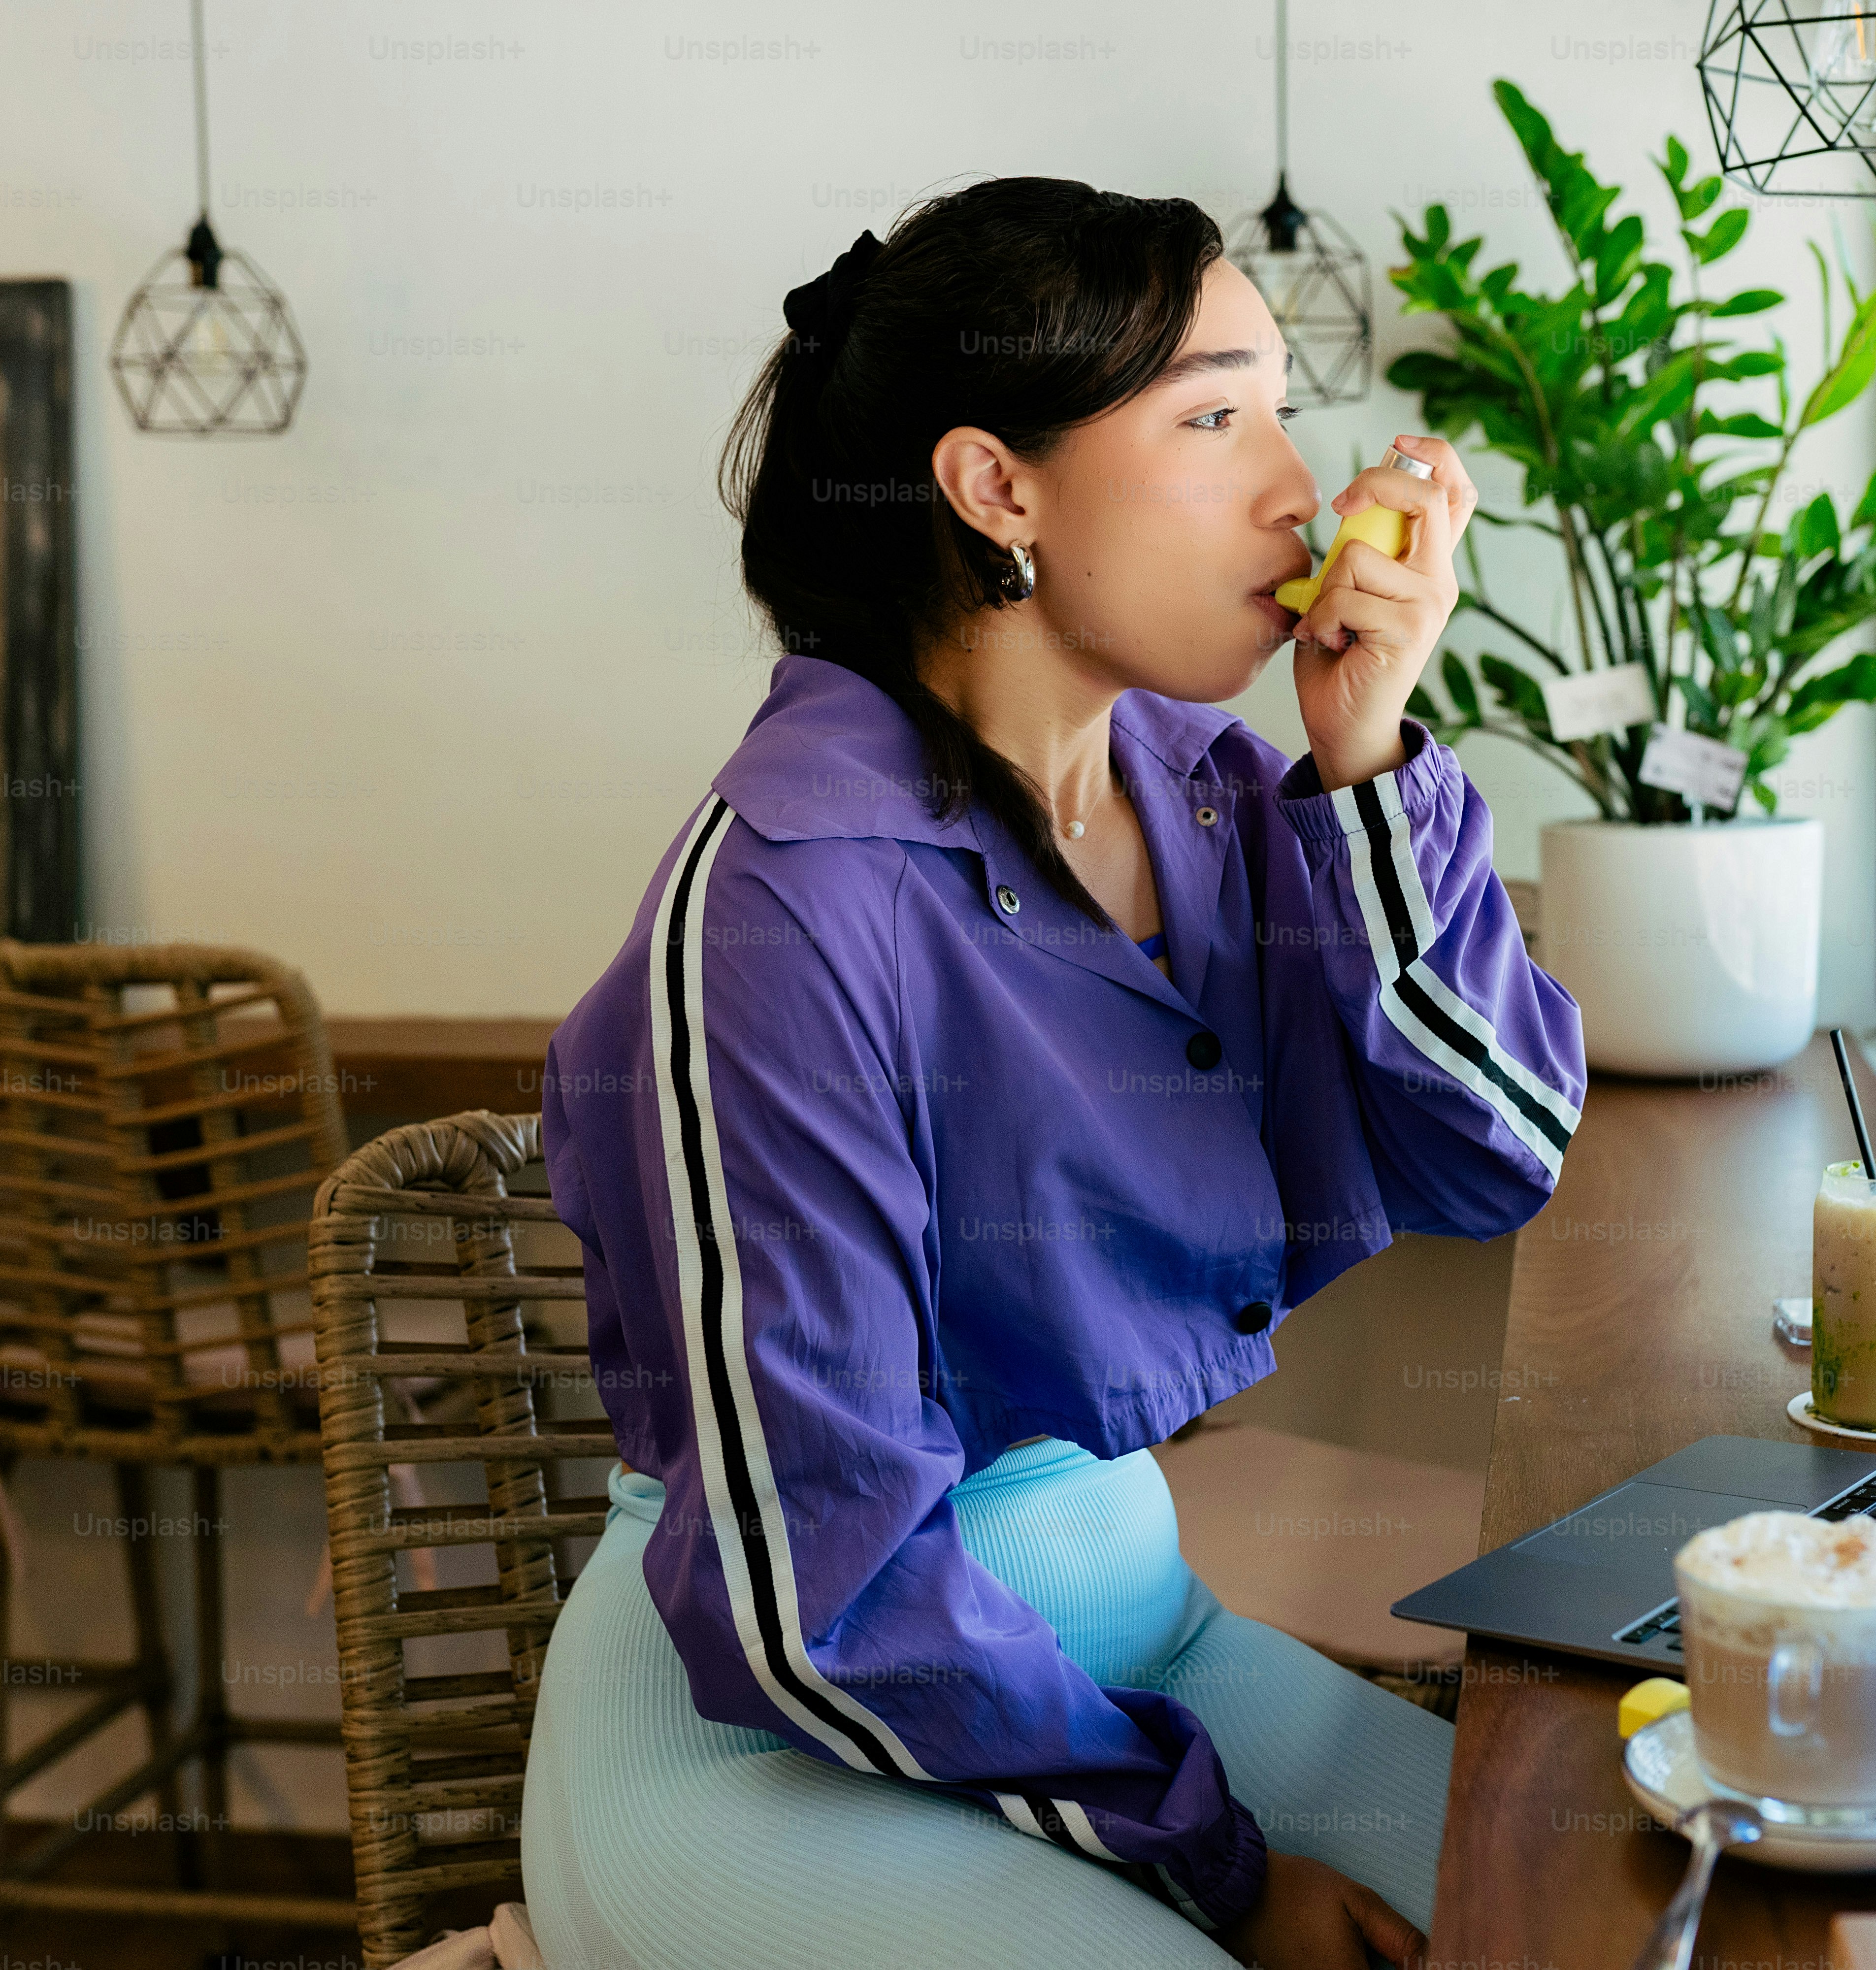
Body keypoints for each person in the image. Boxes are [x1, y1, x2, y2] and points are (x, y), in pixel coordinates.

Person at [523, 176, 1585, 1970]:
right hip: (782, 1724)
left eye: (1280, 410)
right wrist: (1221, 1870)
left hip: (1135, 1640)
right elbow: (813, 1593)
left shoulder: (1213, 792)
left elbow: (1504, 1152)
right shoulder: (785, 911)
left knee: (1564, 1919)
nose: (1296, 489)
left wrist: (1368, 755)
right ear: (996, 489)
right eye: (1212, 415)